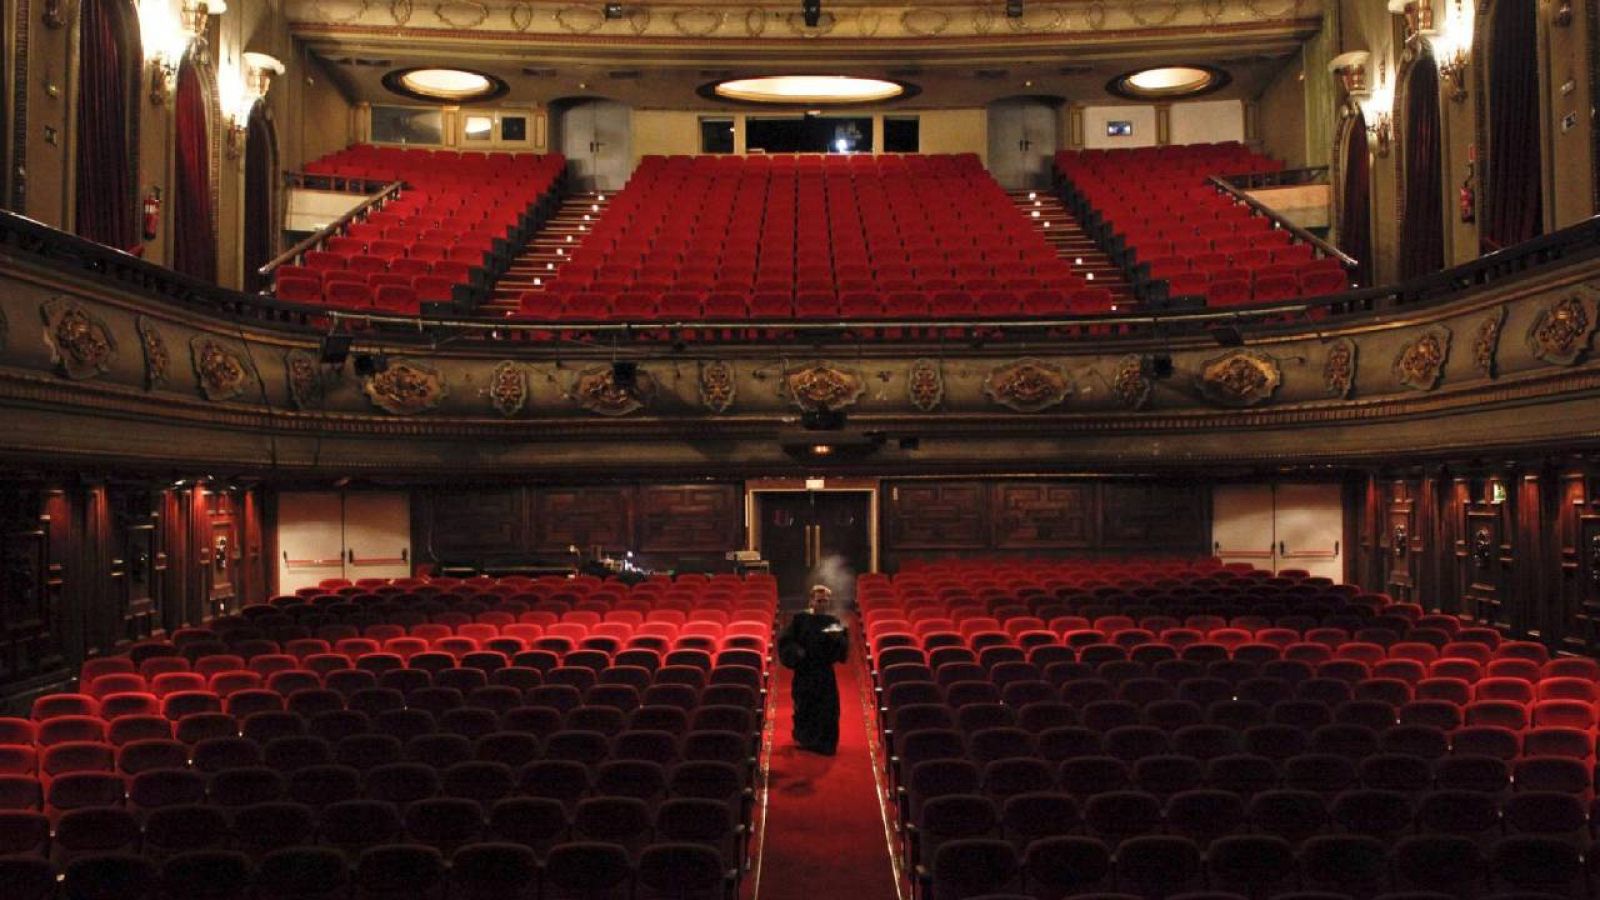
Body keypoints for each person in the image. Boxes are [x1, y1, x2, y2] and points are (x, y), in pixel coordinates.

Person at [779, 584, 850, 755]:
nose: (823, 604)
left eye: (826, 601)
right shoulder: (800, 619)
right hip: (805, 672)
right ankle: (806, 740)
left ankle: (825, 744)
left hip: (825, 673)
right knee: (805, 707)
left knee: (828, 710)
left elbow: (842, 650)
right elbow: (786, 642)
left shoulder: (832, 621)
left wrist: (838, 639)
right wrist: (797, 652)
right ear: (811, 601)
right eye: (819, 601)